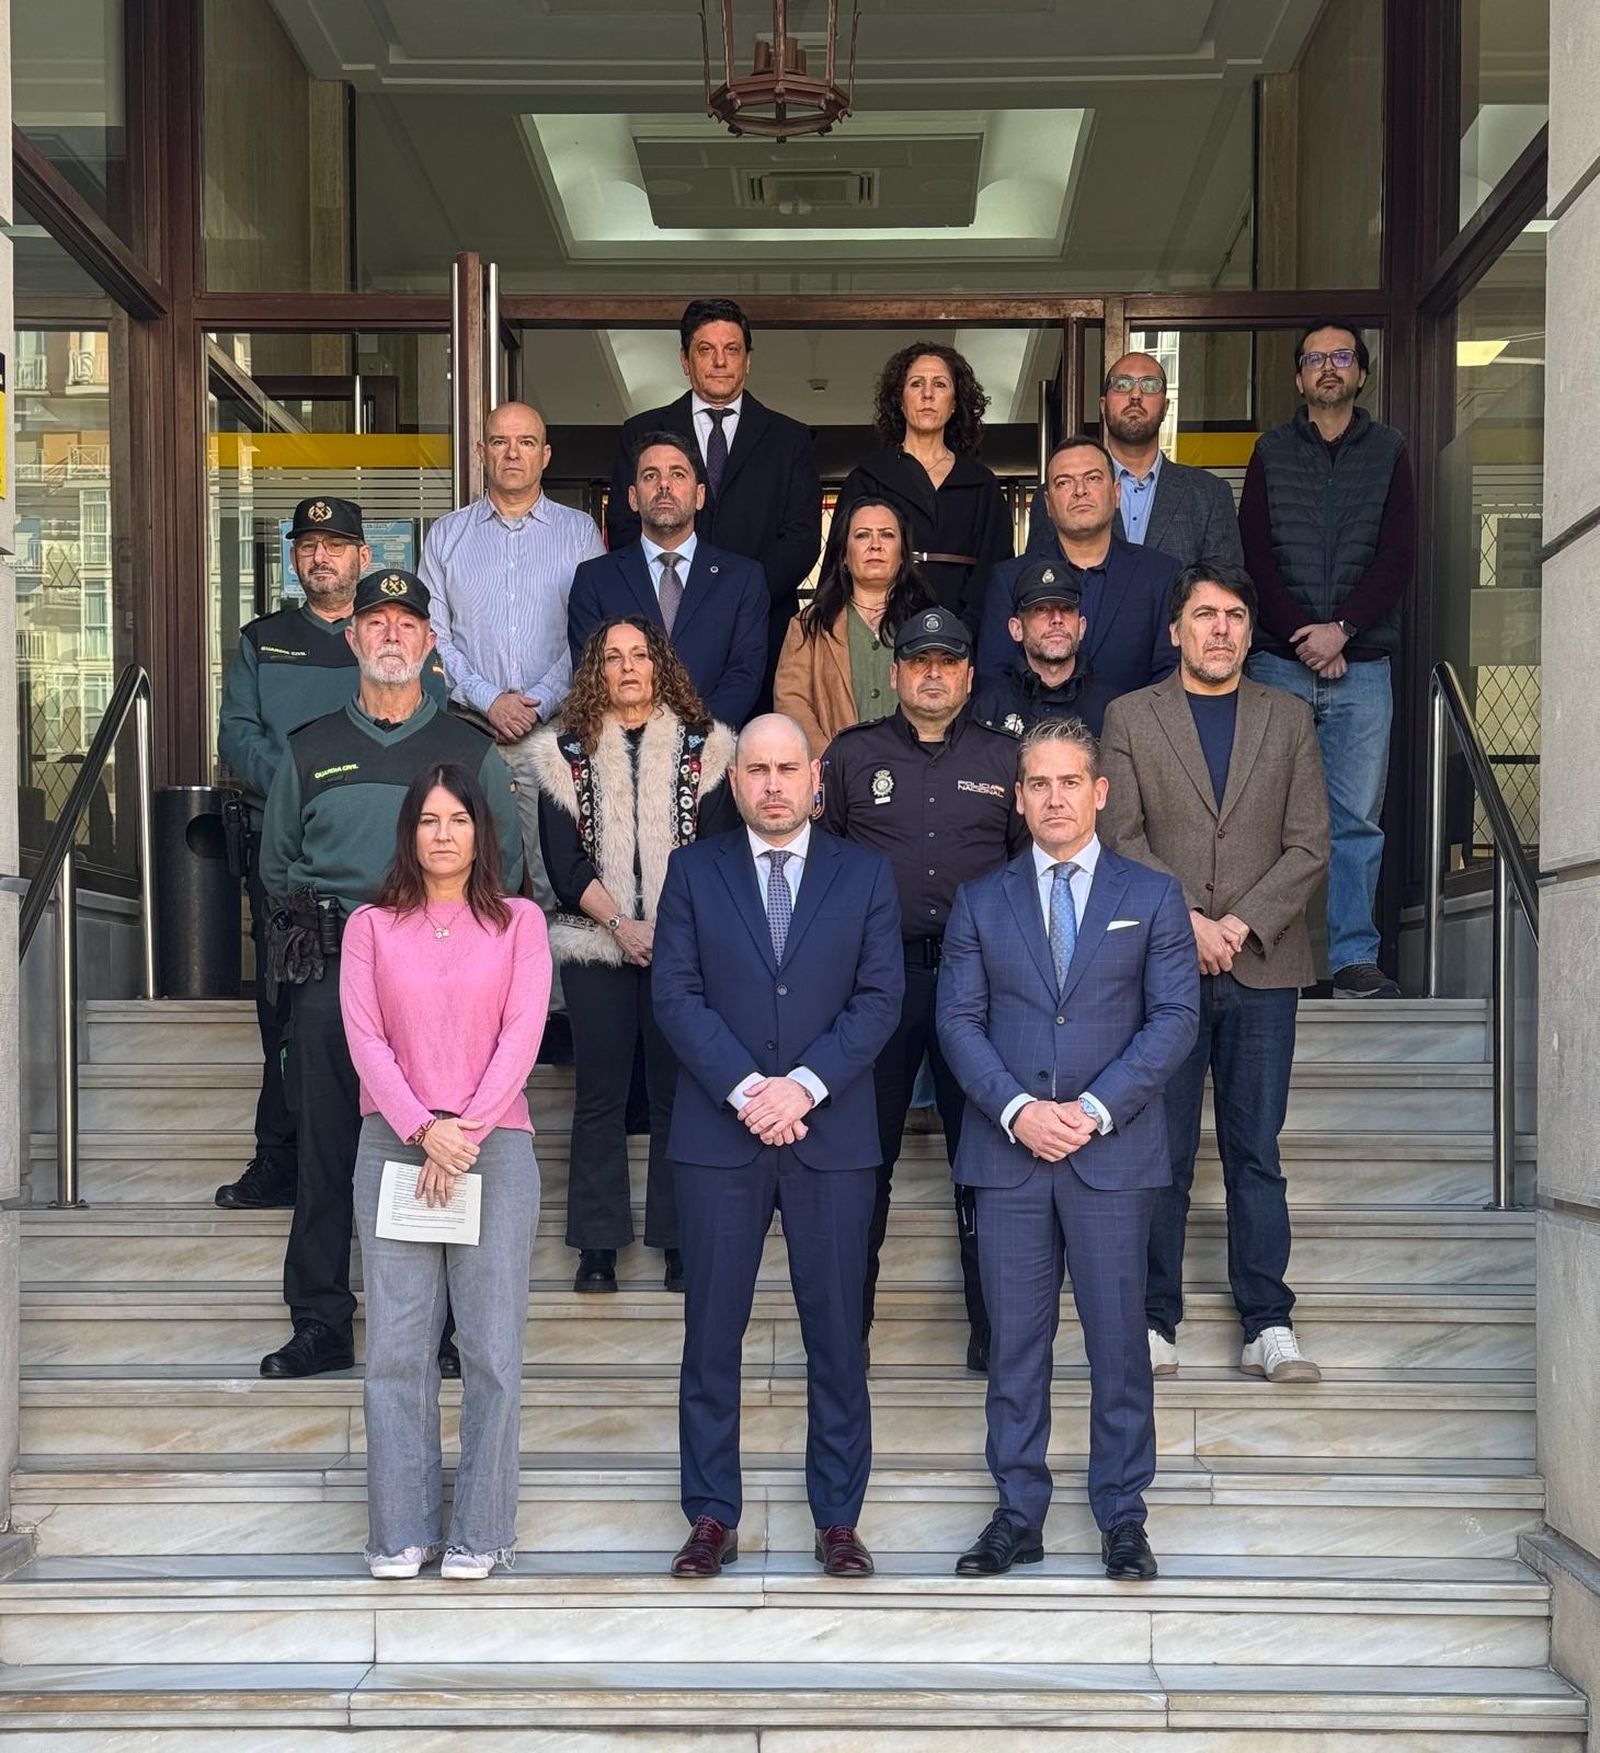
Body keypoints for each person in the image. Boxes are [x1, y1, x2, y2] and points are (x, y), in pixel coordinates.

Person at [937, 717, 1198, 1583]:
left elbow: (1173, 1022)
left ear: (1100, 791)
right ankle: (1019, 1512)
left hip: (1112, 1156)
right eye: (1037, 784)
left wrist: (1089, 1109)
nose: (1054, 797)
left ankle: (1124, 1514)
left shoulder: (1154, 896)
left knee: (1121, 1343)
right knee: (1016, 1343)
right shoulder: (981, 900)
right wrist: (1018, 1110)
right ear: (1019, 798)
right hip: (1009, 1157)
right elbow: (958, 1023)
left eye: (1068, 782)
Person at [651, 714, 903, 1580]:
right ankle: (711, 1514)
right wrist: (749, 1090)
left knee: (837, 1334)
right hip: (720, 1137)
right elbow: (676, 993)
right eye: (755, 769)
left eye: (786, 768)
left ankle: (839, 1517)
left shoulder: (866, 874)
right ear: (734, 781)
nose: (770, 783)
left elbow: (880, 998)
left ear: (815, 778)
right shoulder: (693, 872)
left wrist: (805, 1086)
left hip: (830, 1135)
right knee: (710, 1333)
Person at [257, 569, 523, 1380]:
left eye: (409, 622)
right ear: (354, 638)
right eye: (377, 622)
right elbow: (276, 867)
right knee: (327, 1145)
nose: (393, 635)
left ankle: (446, 1329)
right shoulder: (309, 748)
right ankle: (322, 1320)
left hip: (441, 977)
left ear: (431, 643)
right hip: (334, 967)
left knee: (437, 1139)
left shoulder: (471, 750)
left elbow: (504, 869)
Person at [1100, 563, 1330, 1386]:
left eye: (1235, 615)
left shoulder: (1290, 716)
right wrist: (1186, 925)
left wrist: (1234, 924)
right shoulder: (1130, 716)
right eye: (1205, 615)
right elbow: (1120, 835)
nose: (1221, 629)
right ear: (1176, 630)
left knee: (1254, 1150)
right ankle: (1154, 1319)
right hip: (1161, 968)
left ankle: (1267, 1321)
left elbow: (1309, 844)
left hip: (1265, 966)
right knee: (1157, 1149)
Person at [341, 762, 551, 1582]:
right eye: (427, 819)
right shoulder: (370, 926)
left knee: (492, 1348)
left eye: (457, 819)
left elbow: (522, 1032)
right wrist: (424, 1129)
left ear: (480, 831)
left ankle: (483, 1531)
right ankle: (400, 1530)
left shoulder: (520, 922)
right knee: (396, 1348)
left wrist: (462, 1130)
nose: (442, 833)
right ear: (409, 832)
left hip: (493, 1146)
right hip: (395, 1142)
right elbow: (365, 1038)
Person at [216, 497, 446, 1211]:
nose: (322, 556)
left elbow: (421, 739)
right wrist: (304, 777)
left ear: (360, 557)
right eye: (309, 544)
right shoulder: (264, 640)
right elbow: (238, 736)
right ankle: (277, 1158)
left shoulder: (390, 644)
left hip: (387, 875)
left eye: (336, 544)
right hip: (289, 857)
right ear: (293, 558)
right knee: (285, 1016)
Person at [819, 608, 1027, 1372]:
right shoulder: (851, 756)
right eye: (917, 660)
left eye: (948, 660)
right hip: (879, 985)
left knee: (985, 1163)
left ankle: (994, 1331)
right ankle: (848, 1332)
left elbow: (1026, 875)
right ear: (896, 672)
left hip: (982, 988)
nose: (932, 673)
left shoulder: (1009, 759)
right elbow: (824, 876)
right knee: (861, 1166)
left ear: (970, 674)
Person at [531, 617, 739, 1295]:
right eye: (613, 657)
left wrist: (666, 932)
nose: (626, 667)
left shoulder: (706, 749)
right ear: (597, 670)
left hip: (683, 947)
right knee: (600, 1094)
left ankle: (680, 1241)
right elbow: (565, 864)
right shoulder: (564, 752)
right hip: (595, 941)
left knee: (679, 1092)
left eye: (639, 655)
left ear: (660, 666)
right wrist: (621, 923)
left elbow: (714, 857)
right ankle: (597, 1247)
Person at [1241, 321, 1414, 1000]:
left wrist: (1341, 630)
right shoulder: (1271, 451)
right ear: (1299, 378)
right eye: (1316, 359)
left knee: (1355, 820)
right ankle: (1271, 954)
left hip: (1364, 663)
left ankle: (1350, 958)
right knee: (1268, 816)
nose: (1329, 368)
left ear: (1361, 374)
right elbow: (1254, 556)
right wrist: (1304, 635)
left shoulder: (1390, 451)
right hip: (1281, 662)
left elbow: (1397, 555)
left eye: (1341, 357)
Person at [419, 400, 605, 951]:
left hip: (556, 736)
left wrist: (540, 700)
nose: (512, 453)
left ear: (545, 455)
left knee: (553, 875)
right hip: (469, 732)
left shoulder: (577, 535)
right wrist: (488, 699)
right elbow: (433, 635)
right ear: (481, 453)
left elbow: (591, 635)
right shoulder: (447, 537)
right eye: (500, 441)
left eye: (525, 442)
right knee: (473, 873)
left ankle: (551, 1015)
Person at [607, 297, 822, 699]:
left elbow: (802, 538)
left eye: (732, 350)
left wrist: (741, 596)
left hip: (762, 631)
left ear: (748, 360)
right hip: (661, 634)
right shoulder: (640, 433)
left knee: (756, 757)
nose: (720, 361)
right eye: (706, 350)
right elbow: (623, 527)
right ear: (685, 361)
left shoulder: (789, 439)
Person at [571, 431, 768, 727]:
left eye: (677, 474)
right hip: (624, 757)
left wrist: (692, 735)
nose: (664, 484)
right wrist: (644, 737)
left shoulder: (742, 579)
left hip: (712, 753)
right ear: (633, 498)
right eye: (650, 476)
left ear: (699, 496)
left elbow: (744, 674)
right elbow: (591, 674)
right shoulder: (594, 579)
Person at [978, 437, 1179, 700]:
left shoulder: (1161, 575)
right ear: (1048, 504)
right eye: (1064, 482)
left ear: (1117, 493)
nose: (1080, 491)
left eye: (1093, 478)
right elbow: (994, 678)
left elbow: (1170, 676)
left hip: (1133, 737)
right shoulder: (1010, 578)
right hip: (1035, 736)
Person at [837, 342, 1012, 624]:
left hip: (968, 629)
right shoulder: (867, 478)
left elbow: (996, 567)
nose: (928, 394)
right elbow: (841, 567)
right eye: (916, 384)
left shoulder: (982, 484)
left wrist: (967, 627)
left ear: (955, 403)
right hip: (882, 627)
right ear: (900, 400)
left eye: (940, 385)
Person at [1023, 352, 1244, 571]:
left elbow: (1226, 590)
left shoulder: (1209, 495)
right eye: (1122, 384)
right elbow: (1038, 586)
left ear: (1166, 407)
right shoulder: (1057, 497)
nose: (1136, 395)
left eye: (1150, 385)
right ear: (1103, 405)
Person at [773, 497, 933, 758]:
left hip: (916, 775)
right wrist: (834, 764)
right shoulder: (808, 626)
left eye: (887, 535)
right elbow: (792, 703)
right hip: (836, 777)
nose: (875, 545)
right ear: (844, 556)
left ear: (903, 555)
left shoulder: (927, 623)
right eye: (862, 535)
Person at [970, 559, 1118, 739]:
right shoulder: (986, 711)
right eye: (1041, 609)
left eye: (1066, 609)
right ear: (1016, 629)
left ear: (1082, 627)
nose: (1057, 619)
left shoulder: (1114, 710)